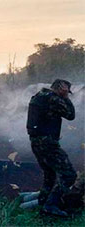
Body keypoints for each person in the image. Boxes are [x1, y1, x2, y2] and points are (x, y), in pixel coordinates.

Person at [26, 79, 77, 217]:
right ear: (61, 88)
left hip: (36, 141)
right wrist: (65, 98)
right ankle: (51, 205)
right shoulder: (54, 99)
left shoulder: (39, 96)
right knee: (69, 175)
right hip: (47, 142)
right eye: (66, 91)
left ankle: (43, 202)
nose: (66, 94)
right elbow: (71, 115)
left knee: (50, 174)